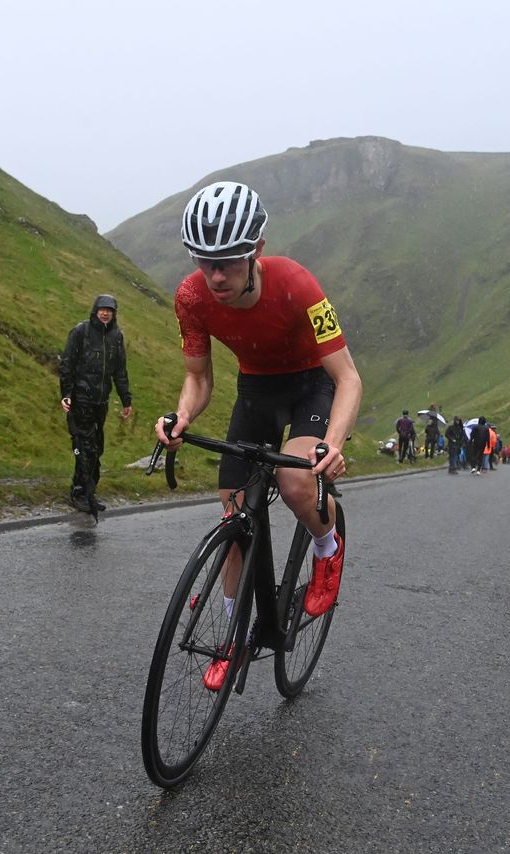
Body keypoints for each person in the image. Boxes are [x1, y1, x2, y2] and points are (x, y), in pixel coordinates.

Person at [156, 181, 361, 689]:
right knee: (234, 513)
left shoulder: (299, 285)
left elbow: (348, 378)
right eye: (205, 261)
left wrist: (331, 446)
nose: (215, 275)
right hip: (257, 389)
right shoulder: (190, 297)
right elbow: (199, 380)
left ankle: (327, 547)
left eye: (228, 261)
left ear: (257, 253)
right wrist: (182, 417)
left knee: (294, 483)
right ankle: (234, 636)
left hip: (312, 386)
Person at [59, 294, 132, 514]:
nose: (105, 313)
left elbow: (120, 371)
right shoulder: (81, 332)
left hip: (101, 401)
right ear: (95, 310)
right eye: (102, 309)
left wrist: (126, 399)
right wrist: (66, 394)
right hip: (81, 399)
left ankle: (89, 493)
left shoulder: (116, 337)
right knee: (85, 445)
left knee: (97, 446)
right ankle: (80, 493)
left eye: (109, 310)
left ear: (114, 313)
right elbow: (67, 364)